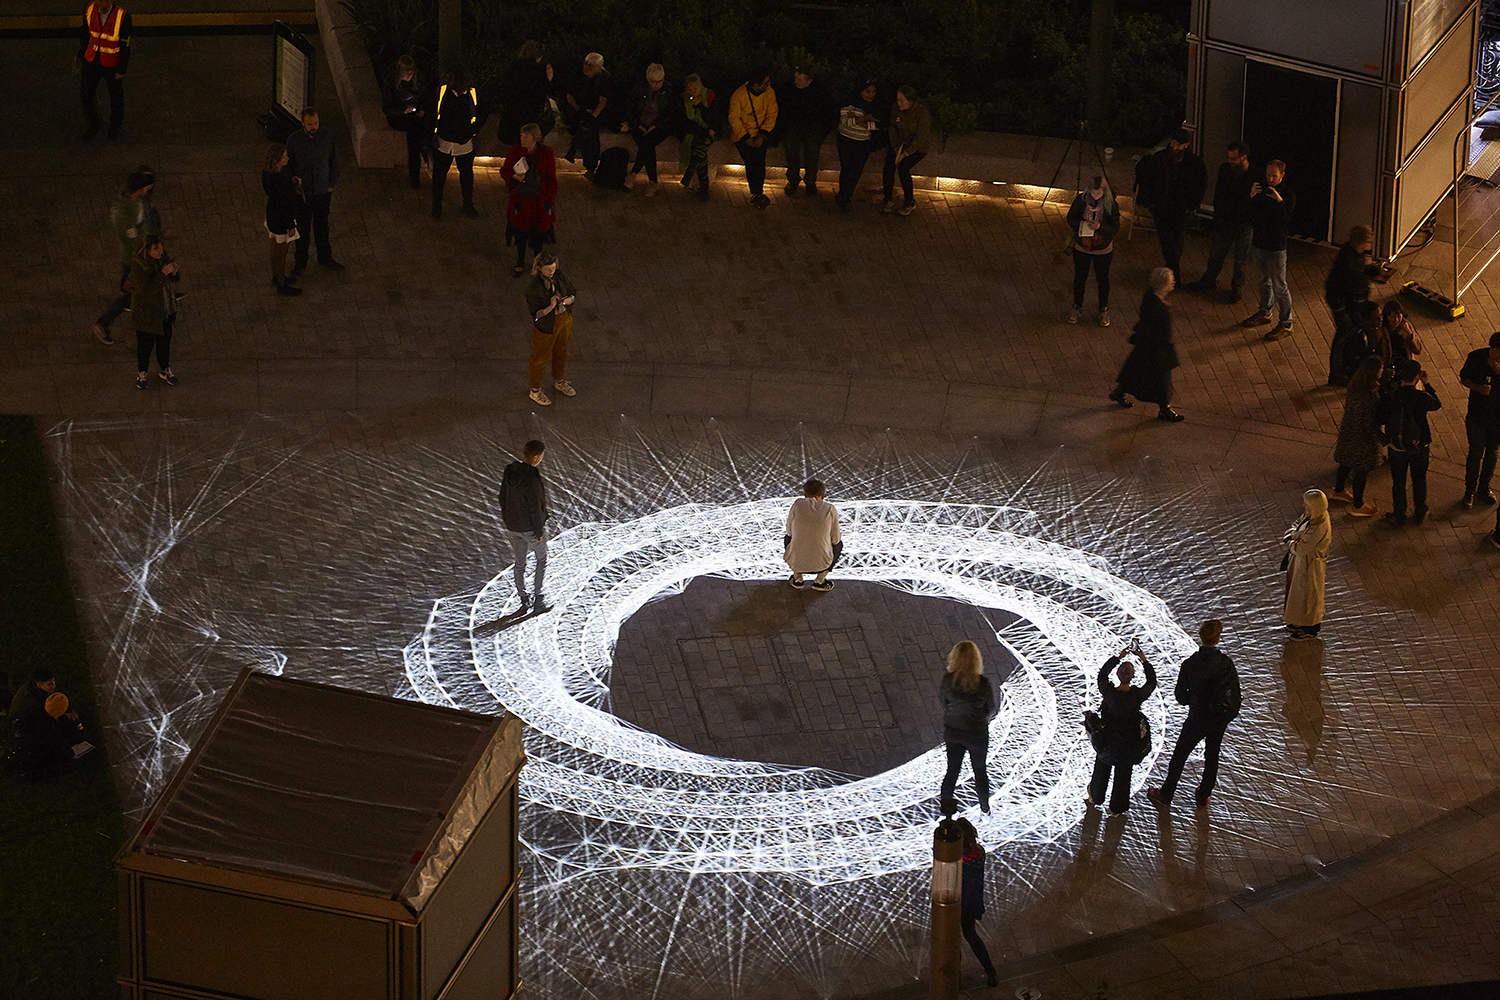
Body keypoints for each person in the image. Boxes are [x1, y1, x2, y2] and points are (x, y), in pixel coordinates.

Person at [1147, 620, 1240, 811]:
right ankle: (1203, 794)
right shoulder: (1226, 663)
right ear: (1218, 638)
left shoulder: (1190, 664)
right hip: (1219, 718)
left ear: (1201, 636)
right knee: (1212, 755)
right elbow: (1235, 690)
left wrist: (1194, 698)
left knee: (1180, 754)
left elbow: (1181, 697)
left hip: (1197, 717)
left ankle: (1166, 794)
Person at [1087, 646, 1157, 815]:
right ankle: (1117, 808)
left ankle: (1095, 797)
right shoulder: (1136, 696)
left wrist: (1117, 658)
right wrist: (1144, 660)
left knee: (1101, 769)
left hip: (1106, 745)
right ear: (1133, 677)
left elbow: (1102, 675)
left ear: (1117, 674)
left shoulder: (1108, 692)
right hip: (1127, 748)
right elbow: (1151, 683)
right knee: (1123, 777)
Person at [91, 169, 158, 345]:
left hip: (134, 254)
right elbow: (134, 241)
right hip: (135, 257)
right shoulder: (125, 215)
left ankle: (129, 289)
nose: (147, 192)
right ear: (138, 190)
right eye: (145, 189)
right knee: (138, 291)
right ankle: (103, 322)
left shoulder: (129, 200)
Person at [1109, 267, 1184, 421]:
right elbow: (1157, 329)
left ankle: (1120, 391)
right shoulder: (1157, 307)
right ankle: (1165, 409)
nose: (1173, 284)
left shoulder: (1150, 297)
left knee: (1136, 372)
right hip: (1156, 349)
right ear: (1163, 285)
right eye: (1170, 282)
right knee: (1163, 381)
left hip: (1146, 346)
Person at [1133, 129, 1206, 284]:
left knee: (1177, 240)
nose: (1174, 147)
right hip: (1162, 206)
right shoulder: (1160, 159)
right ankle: (1174, 273)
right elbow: (1146, 175)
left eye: (1178, 144)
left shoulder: (1193, 163)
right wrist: (1151, 200)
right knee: (1167, 241)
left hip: (1180, 208)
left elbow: (1201, 185)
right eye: (1173, 143)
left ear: (1186, 145)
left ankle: (1172, 271)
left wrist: (1192, 204)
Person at [1378, 359, 1441, 527]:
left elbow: (1379, 419)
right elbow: (1436, 404)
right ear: (1417, 377)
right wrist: (1427, 384)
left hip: (1396, 448)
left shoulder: (1390, 396)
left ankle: (1399, 514)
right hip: (1419, 447)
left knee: (1398, 482)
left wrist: (1387, 441)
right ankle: (1420, 511)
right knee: (1419, 479)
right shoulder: (1420, 397)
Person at [1188, 141, 1253, 301]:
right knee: (1216, 255)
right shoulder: (1225, 170)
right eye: (1229, 157)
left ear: (1243, 157)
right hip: (1226, 222)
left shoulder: (1254, 175)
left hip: (1244, 224)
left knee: (1240, 260)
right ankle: (1209, 281)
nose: (1230, 161)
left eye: (1233, 158)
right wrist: (1217, 217)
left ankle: (1236, 288)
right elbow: (1219, 195)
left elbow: (1252, 203)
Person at [938, 641, 997, 814]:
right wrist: (980, 718)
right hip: (977, 734)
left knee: (952, 771)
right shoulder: (983, 683)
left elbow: (944, 702)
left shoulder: (948, 681)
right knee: (980, 770)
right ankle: (985, 810)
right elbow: (991, 709)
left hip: (953, 732)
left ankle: (947, 813)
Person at [1242, 159, 1296, 340]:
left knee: (1280, 286)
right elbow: (1250, 217)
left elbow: (1287, 220)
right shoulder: (1261, 191)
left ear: (1282, 175)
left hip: (1276, 248)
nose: (1270, 179)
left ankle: (1286, 323)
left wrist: (1279, 201)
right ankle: (1265, 312)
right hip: (1259, 244)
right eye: (1268, 175)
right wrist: (1251, 196)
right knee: (1264, 281)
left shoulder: (1288, 195)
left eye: (1274, 176)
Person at [286, 107, 344, 274]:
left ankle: (325, 257)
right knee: (302, 229)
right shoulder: (294, 140)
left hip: (322, 192)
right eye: (310, 124)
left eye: (316, 123)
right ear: (303, 123)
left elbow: (333, 161)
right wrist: (294, 182)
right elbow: (289, 166)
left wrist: (330, 185)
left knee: (322, 227)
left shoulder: (327, 136)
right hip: (303, 194)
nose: (314, 126)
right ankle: (301, 261)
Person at [499, 440, 551, 613]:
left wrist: (509, 520)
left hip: (514, 526)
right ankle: (538, 600)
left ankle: (523, 599)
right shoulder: (532, 478)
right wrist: (538, 531)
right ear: (535, 457)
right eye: (542, 456)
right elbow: (535, 507)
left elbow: (502, 498)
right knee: (541, 559)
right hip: (530, 528)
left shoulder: (510, 471)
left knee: (519, 563)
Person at [502, 123, 558, 277]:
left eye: (526, 136)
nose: (522, 139)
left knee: (538, 234)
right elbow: (505, 170)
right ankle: (520, 262)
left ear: (535, 138)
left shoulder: (546, 153)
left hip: (539, 201)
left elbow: (551, 178)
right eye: (521, 136)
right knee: (521, 233)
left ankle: (537, 263)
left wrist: (549, 199)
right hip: (522, 201)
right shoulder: (515, 151)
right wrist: (514, 177)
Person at [1329, 356, 1383, 517]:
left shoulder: (1354, 386)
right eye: (1380, 369)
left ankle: (1339, 490)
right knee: (1362, 470)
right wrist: (1382, 439)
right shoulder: (1369, 396)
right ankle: (1358, 506)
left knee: (1346, 462)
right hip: (1362, 439)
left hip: (1349, 432)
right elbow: (1368, 423)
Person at [1324, 225, 1377, 385]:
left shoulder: (1349, 252)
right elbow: (1356, 291)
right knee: (1343, 336)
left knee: (1345, 335)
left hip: (1339, 300)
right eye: (1369, 242)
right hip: (1343, 304)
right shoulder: (1352, 263)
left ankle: (1342, 370)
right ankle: (1337, 373)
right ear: (1363, 243)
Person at [1065, 174, 1119, 327]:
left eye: (1098, 193)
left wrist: (1100, 227)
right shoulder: (1081, 200)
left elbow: (1115, 227)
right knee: (1080, 278)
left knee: (1102, 279)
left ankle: (1103, 309)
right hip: (1082, 246)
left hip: (1103, 249)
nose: (1095, 196)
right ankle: (1077, 306)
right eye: (1093, 192)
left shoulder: (1111, 205)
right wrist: (1082, 224)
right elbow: (1070, 218)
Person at [523, 251, 577, 405]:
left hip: (564, 319)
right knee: (539, 358)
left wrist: (569, 300)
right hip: (546, 325)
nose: (551, 271)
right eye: (548, 268)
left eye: (553, 267)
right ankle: (535, 391)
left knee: (562, 352)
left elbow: (573, 291)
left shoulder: (558, 276)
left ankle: (559, 381)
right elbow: (537, 314)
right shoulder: (534, 288)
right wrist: (551, 306)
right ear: (539, 268)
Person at [953, 814, 999, 987]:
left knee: (953, 939)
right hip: (972, 901)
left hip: (959, 902)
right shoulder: (978, 851)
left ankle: (953, 976)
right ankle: (990, 970)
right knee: (971, 935)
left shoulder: (960, 858)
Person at [430, 66, 480, 220]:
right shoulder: (443, 92)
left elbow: (481, 112)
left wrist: (471, 130)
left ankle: (467, 204)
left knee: (466, 175)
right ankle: (437, 206)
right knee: (439, 175)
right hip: (444, 142)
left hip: (464, 143)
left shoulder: (472, 94)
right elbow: (433, 112)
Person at [129, 238, 179, 389]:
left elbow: (172, 280)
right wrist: (163, 274)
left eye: (160, 249)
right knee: (145, 345)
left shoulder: (162, 259)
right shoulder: (140, 267)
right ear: (147, 251)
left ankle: (165, 369)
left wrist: (174, 273)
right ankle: (142, 372)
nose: (159, 252)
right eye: (155, 250)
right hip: (147, 314)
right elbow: (146, 291)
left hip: (165, 310)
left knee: (164, 344)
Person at [77, 0, 131, 140]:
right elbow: (85, 33)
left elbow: (125, 45)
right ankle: (94, 124)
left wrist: (121, 68)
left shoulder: (122, 17)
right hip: (92, 60)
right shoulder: (89, 9)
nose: (103, 4)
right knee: (86, 93)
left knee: (116, 97)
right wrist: (82, 54)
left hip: (111, 64)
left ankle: (115, 127)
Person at [1281, 489, 1331, 640]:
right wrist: (1294, 536)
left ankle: (1310, 627)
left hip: (1310, 565)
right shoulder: (1312, 516)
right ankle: (1299, 622)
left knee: (1309, 596)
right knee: (1299, 593)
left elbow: (1301, 548)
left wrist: (1289, 540)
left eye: (1307, 505)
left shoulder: (1319, 526)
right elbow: (1296, 525)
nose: (1305, 508)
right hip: (1301, 563)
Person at [1459, 330, 1500, 508]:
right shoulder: (1476, 358)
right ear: (1492, 348)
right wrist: (1477, 387)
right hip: (1477, 416)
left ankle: (1484, 487)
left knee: (1492, 453)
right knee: (1475, 453)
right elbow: (1464, 378)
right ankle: (1469, 491)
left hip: (1497, 419)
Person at [779, 66, 834, 196]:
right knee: (791, 148)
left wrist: (823, 129)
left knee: (812, 150)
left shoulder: (819, 92)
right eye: (795, 78)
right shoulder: (788, 90)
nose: (796, 82)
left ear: (808, 81)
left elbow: (827, 113)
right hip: (793, 124)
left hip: (813, 125)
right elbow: (783, 110)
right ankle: (793, 180)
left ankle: (810, 181)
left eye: (800, 79)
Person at [729, 69, 778, 208]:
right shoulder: (739, 95)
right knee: (751, 161)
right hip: (743, 134)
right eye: (765, 83)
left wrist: (761, 136)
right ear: (756, 84)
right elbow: (734, 118)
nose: (768, 86)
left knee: (759, 160)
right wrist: (746, 137)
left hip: (760, 133)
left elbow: (772, 114)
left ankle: (757, 192)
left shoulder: (769, 93)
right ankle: (757, 193)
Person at [382, 54, 431, 190]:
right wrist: (403, 111)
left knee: (416, 130)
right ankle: (420, 163)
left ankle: (415, 172)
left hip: (416, 116)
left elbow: (426, 98)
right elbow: (387, 107)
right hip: (398, 116)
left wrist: (422, 110)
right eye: (405, 72)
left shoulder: (419, 78)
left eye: (410, 72)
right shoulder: (391, 81)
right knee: (415, 132)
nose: (408, 75)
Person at [880, 86, 931, 216]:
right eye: (898, 100)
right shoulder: (896, 109)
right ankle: (887, 199)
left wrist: (906, 153)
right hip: (899, 144)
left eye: (902, 100)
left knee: (903, 168)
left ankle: (909, 201)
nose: (899, 103)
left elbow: (921, 138)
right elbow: (892, 128)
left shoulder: (922, 113)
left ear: (911, 100)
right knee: (888, 167)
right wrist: (896, 147)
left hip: (917, 148)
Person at [834, 81, 884, 212]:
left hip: (864, 142)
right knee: (846, 168)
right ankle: (844, 196)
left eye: (873, 92)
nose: (871, 95)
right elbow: (845, 123)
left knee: (856, 170)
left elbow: (879, 125)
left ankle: (844, 197)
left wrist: (857, 119)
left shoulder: (877, 105)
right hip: (846, 140)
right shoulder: (849, 102)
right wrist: (865, 119)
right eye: (868, 91)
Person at [622, 64, 672, 195]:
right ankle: (652, 182)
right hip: (639, 125)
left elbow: (669, 113)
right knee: (648, 146)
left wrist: (655, 126)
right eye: (653, 82)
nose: (656, 85)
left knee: (647, 144)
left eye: (659, 81)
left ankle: (633, 173)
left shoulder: (667, 91)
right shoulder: (639, 90)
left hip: (659, 126)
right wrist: (638, 125)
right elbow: (630, 110)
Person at [783, 478, 842, 591]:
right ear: (822, 494)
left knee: (788, 538)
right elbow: (836, 539)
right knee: (839, 545)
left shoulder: (797, 504)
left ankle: (797, 579)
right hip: (823, 563)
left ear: (805, 494)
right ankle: (820, 580)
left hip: (797, 561)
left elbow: (789, 531)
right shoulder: (830, 508)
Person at [262, 143, 302, 296]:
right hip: (281, 220)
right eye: (284, 157)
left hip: (273, 215)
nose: (287, 158)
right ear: (277, 159)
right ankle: (281, 284)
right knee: (281, 252)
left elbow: (271, 193)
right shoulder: (280, 179)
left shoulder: (268, 173)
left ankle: (277, 277)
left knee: (275, 247)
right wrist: (290, 225)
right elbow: (285, 204)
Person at [496, 40, 553, 148]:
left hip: (511, 113)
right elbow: (540, 93)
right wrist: (548, 80)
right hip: (529, 115)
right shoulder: (538, 71)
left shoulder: (512, 67)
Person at [564, 53, 612, 178]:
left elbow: (602, 103)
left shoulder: (604, 79)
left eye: (590, 65)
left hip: (597, 112)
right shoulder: (578, 75)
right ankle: (590, 168)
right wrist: (580, 110)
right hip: (579, 110)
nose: (586, 67)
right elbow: (570, 96)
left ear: (598, 68)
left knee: (590, 128)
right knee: (588, 130)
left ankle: (573, 150)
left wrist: (592, 115)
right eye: (585, 63)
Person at [675, 74, 719, 199]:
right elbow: (684, 123)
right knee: (700, 150)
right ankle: (704, 188)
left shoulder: (709, 96)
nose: (693, 92)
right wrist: (703, 131)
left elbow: (713, 119)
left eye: (696, 89)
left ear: (700, 87)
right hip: (698, 132)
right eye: (690, 89)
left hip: (711, 130)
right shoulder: (683, 100)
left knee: (700, 146)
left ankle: (692, 173)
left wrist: (700, 105)